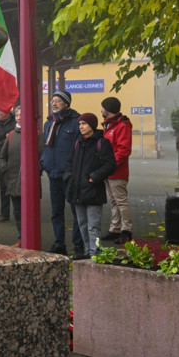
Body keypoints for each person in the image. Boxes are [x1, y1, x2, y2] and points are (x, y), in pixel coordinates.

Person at [63, 113, 116, 260]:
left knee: (94, 226)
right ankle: (88, 251)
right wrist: (69, 176)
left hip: (93, 191)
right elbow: (69, 162)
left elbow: (110, 165)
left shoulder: (102, 143)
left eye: (84, 124)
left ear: (92, 125)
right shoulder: (77, 142)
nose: (81, 127)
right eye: (80, 124)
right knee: (82, 224)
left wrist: (94, 177)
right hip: (77, 191)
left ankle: (95, 253)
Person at [41, 90, 84, 256]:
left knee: (77, 212)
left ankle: (78, 246)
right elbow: (46, 146)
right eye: (53, 101)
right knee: (56, 213)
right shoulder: (49, 123)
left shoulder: (76, 122)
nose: (54, 103)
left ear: (66, 103)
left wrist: (72, 170)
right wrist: (43, 162)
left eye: (58, 100)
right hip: (53, 175)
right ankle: (59, 244)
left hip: (70, 176)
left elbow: (78, 149)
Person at [0, 106, 44, 246]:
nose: (19, 117)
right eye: (17, 115)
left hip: (30, 182)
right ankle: (21, 239)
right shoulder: (11, 135)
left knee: (30, 213)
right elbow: (2, 156)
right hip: (13, 181)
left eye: (22, 115)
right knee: (17, 212)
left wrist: (36, 171)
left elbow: (42, 158)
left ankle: (31, 239)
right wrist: (6, 170)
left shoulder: (38, 135)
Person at [100, 97, 133, 244]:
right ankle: (115, 229)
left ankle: (126, 231)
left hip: (116, 171)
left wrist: (110, 165)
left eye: (102, 107)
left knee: (120, 202)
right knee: (114, 201)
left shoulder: (121, 126)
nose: (101, 109)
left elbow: (123, 150)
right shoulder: (111, 125)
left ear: (108, 109)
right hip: (110, 170)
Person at [0, 107, 16, 224]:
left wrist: (1, 135)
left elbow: (17, 134)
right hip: (2, 159)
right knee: (3, 187)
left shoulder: (15, 120)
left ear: (6, 111)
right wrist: (6, 135)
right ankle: (5, 214)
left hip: (16, 158)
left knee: (18, 187)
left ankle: (20, 212)